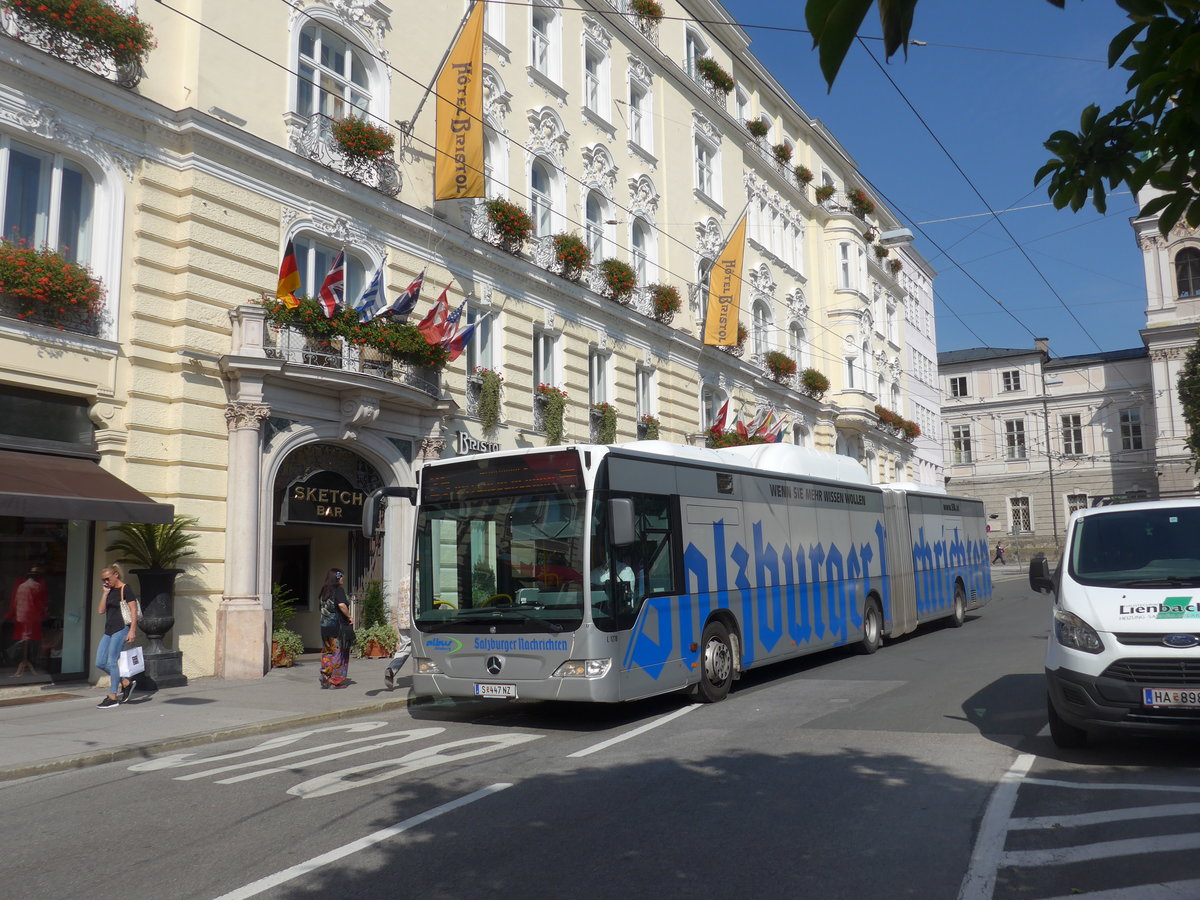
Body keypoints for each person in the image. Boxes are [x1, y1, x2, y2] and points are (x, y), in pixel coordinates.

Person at [95, 565, 138, 709]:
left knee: (112, 661)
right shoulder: (109, 591)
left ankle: (113, 696)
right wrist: (105, 593)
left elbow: (133, 610)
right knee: (100, 662)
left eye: (107, 578)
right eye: (103, 580)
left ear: (116, 575)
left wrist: (132, 630)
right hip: (109, 630)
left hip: (121, 629)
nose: (105, 582)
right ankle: (125, 682)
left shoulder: (126, 589)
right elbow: (101, 611)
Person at [8, 566, 48, 676]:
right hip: (33, 618)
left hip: (21, 618)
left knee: (24, 639)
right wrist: (44, 614)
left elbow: (14, 601)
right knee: (29, 640)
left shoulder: (21, 585)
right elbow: (40, 603)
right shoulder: (37, 586)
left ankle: (24, 661)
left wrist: (12, 614)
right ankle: (26, 661)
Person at [318, 568, 352, 689]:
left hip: (324, 627)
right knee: (338, 653)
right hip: (337, 627)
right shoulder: (339, 590)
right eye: (341, 576)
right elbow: (341, 605)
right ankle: (335, 680)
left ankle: (325, 676)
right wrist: (349, 617)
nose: (343, 578)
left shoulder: (324, 591)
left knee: (327, 652)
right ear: (337, 578)